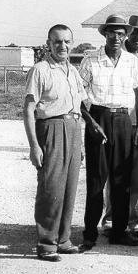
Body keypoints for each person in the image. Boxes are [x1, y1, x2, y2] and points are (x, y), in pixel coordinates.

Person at [78, 14, 138, 250]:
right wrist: (91, 123)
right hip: (98, 119)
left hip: (123, 121)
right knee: (97, 180)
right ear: (104, 34)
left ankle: (119, 232)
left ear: (126, 35)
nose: (116, 38)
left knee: (122, 180)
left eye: (120, 34)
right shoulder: (90, 60)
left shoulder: (133, 62)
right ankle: (89, 233)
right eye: (111, 33)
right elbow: (77, 97)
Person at [23, 24, 86, 261]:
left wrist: (79, 144)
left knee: (69, 189)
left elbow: (80, 108)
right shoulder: (40, 70)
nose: (63, 46)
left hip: (73, 127)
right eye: (57, 41)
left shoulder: (74, 71)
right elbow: (28, 110)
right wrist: (34, 146)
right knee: (51, 188)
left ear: (72, 43)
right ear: (48, 44)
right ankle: (46, 243)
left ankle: (64, 239)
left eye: (67, 41)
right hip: (51, 128)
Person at [103, 14, 138, 234]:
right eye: (136, 32)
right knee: (115, 172)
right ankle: (110, 217)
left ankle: (132, 217)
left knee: (137, 174)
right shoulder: (117, 56)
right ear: (127, 34)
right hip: (118, 120)